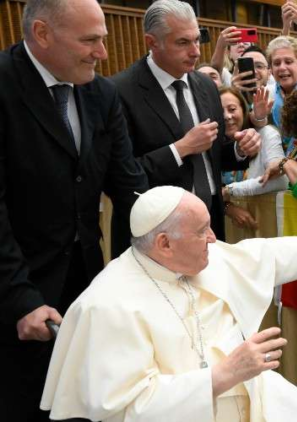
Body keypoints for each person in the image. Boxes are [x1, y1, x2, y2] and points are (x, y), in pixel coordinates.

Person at [41, 186, 297, 421]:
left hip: (256, 397)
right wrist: (223, 374)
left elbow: (266, 256)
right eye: (201, 231)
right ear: (165, 244)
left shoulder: (199, 257)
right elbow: (129, 409)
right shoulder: (107, 306)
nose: (213, 238)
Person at [0, 0, 149, 420]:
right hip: (17, 297)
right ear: (43, 34)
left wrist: (170, 227)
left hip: (85, 288)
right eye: (90, 40)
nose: (103, 52)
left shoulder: (101, 94)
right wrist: (20, 298)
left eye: (103, 38)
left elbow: (128, 184)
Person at [111, 0, 261, 242]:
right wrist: (181, 149)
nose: (196, 51)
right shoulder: (119, 91)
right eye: (182, 42)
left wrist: (239, 149)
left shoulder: (205, 86)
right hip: (156, 230)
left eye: (196, 39)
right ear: (152, 42)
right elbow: (120, 175)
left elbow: (212, 155)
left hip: (209, 221)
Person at [218, 86, 285, 230]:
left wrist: (227, 191)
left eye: (232, 109)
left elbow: (279, 180)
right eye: (220, 111)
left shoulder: (267, 134)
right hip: (226, 230)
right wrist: (227, 207)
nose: (227, 116)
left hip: (264, 223)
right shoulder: (210, 145)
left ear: (244, 110)